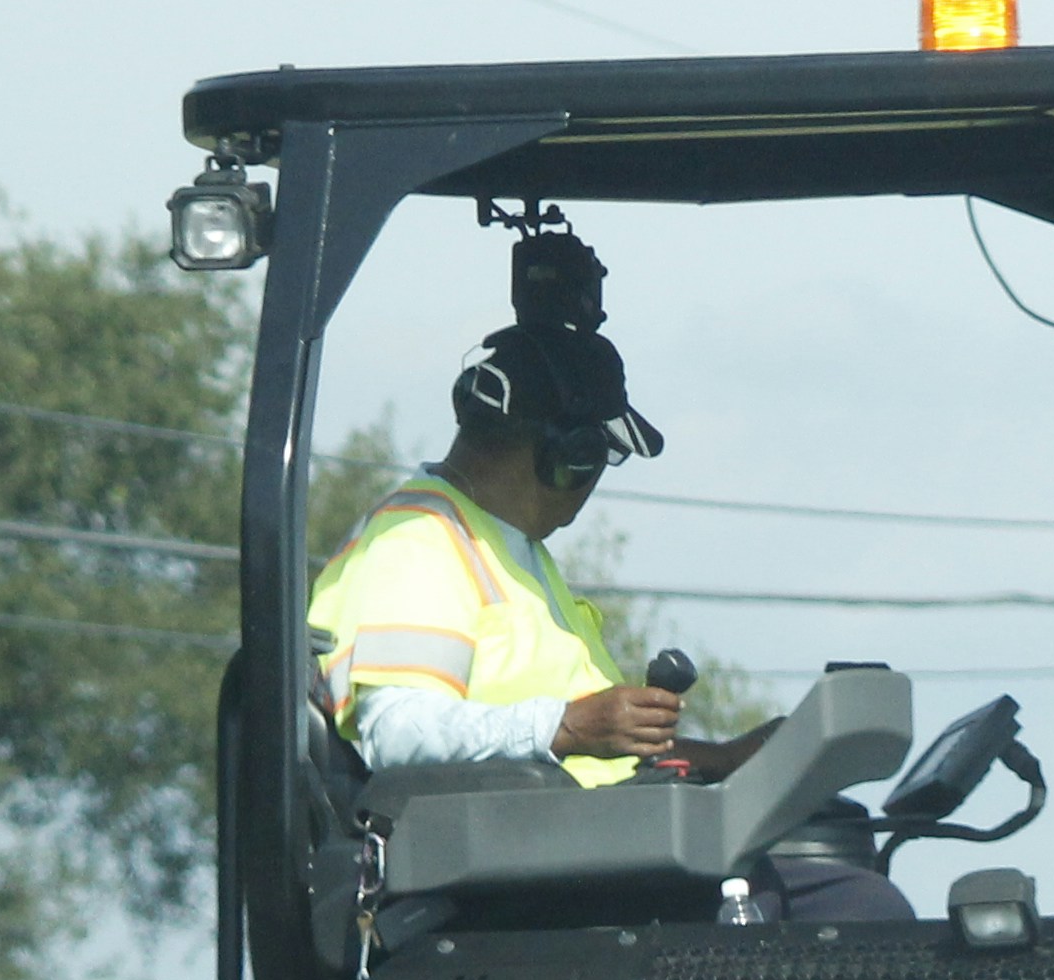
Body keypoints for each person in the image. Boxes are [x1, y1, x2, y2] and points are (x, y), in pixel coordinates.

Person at [308, 223, 746, 787]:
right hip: (529, 863)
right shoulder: (417, 545)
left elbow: (595, 751)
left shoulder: (508, 549)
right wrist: (564, 726)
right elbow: (398, 730)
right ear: (573, 456)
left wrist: (734, 759)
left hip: (584, 842)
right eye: (602, 457)